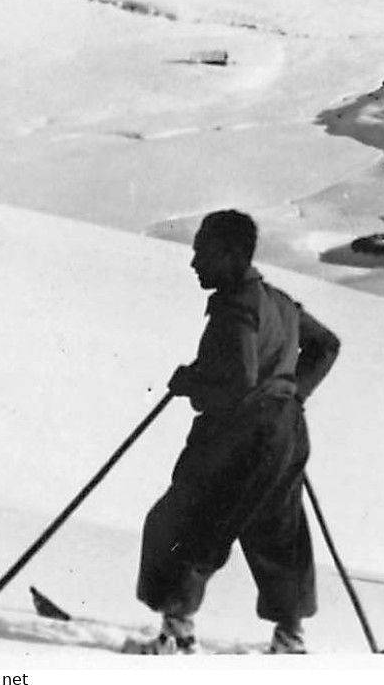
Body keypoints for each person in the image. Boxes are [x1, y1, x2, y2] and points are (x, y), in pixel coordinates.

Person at [127, 210, 342, 655]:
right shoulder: (280, 302)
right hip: (285, 432)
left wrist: (192, 383)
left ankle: (175, 634)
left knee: (188, 519)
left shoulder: (236, 309)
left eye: (201, 252)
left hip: (241, 434)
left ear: (229, 254)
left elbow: (238, 382)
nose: (194, 263)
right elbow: (326, 345)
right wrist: (290, 393)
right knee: (278, 531)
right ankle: (290, 638)